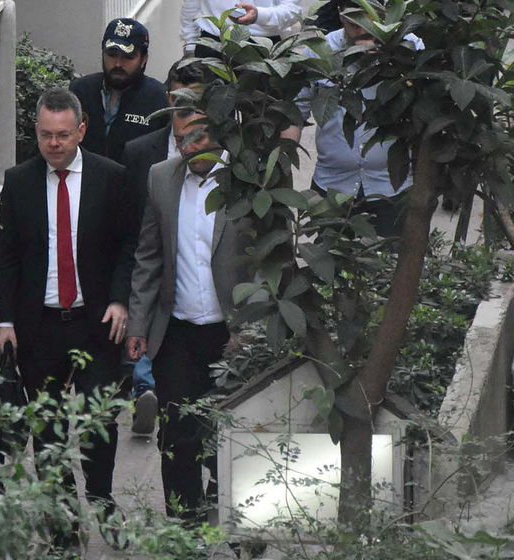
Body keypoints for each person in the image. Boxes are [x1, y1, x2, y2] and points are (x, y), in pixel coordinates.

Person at [0, 87, 137, 547]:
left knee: (100, 420)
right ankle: (61, 518)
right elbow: (8, 257)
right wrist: (5, 321)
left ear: (81, 130)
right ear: (35, 132)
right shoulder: (18, 181)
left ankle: (102, 501)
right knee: (48, 425)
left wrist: (120, 299)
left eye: (62, 135)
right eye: (44, 136)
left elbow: (127, 247)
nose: (54, 145)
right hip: (40, 327)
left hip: (96, 323)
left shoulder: (111, 177)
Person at [125, 109, 251, 520]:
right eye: (181, 139)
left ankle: (235, 527)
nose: (189, 148)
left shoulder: (250, 179)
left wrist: (250, 331)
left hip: (232, 336)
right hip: (176, 332)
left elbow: (270, 262)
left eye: (197, 138)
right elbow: (148, 256)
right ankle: (185, 530)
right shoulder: (161, 177)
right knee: (177, 437)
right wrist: (138, 323)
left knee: (230, 436)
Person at [283, 0, 424, 237]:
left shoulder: (409, 47)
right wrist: (281, 162)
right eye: (354, 24)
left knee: (388, 267)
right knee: (330, 267)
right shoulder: (319, 51)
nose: (363, 31)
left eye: (370, 22)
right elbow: (295, 114)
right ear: (340, 14)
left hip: (390, 187)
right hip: (332, 186)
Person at [120, 61, 207, 435]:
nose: (185, 107)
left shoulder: (233, 160)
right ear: (167, 97)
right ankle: (145, 390)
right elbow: (127, 220)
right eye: (178, 98)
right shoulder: (142, 153)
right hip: (152, 263)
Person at [70, 17, 169, 164]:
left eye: (128, 57)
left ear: (143, 60)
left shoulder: (159, 99)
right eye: (112, 55)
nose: (117, 63)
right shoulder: (80, 90)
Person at [181, 0, 302, 58]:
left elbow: (293, 10)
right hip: (213, 46)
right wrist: (190, 48)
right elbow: (191, 6)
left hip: (262, 48)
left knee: (262, 106)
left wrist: (259, 15)